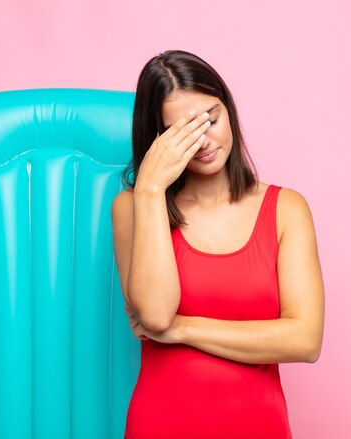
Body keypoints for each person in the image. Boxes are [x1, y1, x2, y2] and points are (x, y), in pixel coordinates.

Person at [111, 50, 325, 438]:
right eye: (182, 132)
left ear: (230, 111)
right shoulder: (134, 207)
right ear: (158, 139)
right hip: (160, 426)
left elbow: (305, 340)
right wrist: (150, 187)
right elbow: (157, 315)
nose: (203, 139)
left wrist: (184, 330)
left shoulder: (285, 209)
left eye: (211, 119)